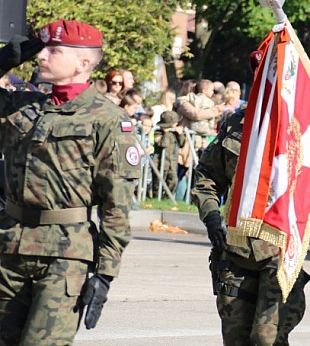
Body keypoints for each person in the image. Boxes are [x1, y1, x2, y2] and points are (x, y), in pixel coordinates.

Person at [0, 20, 141, 344]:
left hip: (64, 256)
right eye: (43, 48)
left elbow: (115, 205)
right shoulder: (24, 107)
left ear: (83, 63)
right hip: (9, 248)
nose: (43, 57)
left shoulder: (107, 119)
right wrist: (5, 60)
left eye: (54, 50)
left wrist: (105, 274)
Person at [191, 52, 310, 346]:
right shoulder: (237, 124)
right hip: (234, 249)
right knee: (235, 338)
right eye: (261, 72)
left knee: (266, 337)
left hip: (281, 253)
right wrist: (210, 215)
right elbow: (207, 175)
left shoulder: (305, 127)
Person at [175, 79, 223, 152]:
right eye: (196, 88)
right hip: (185, 140)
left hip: (195, 140)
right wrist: (215, 110)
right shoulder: (183, 103)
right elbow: (196, 114)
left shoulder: (201, 102)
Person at [153, 110, 186, 198]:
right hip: (160, 162)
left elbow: (182, 144)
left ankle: (168, 198)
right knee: (158, 182)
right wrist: (166, 133)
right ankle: (156, 197)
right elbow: (163, 144)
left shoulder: (175, 133)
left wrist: (180, 134)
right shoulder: (158, 132)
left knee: (173, 180)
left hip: (172, 162)